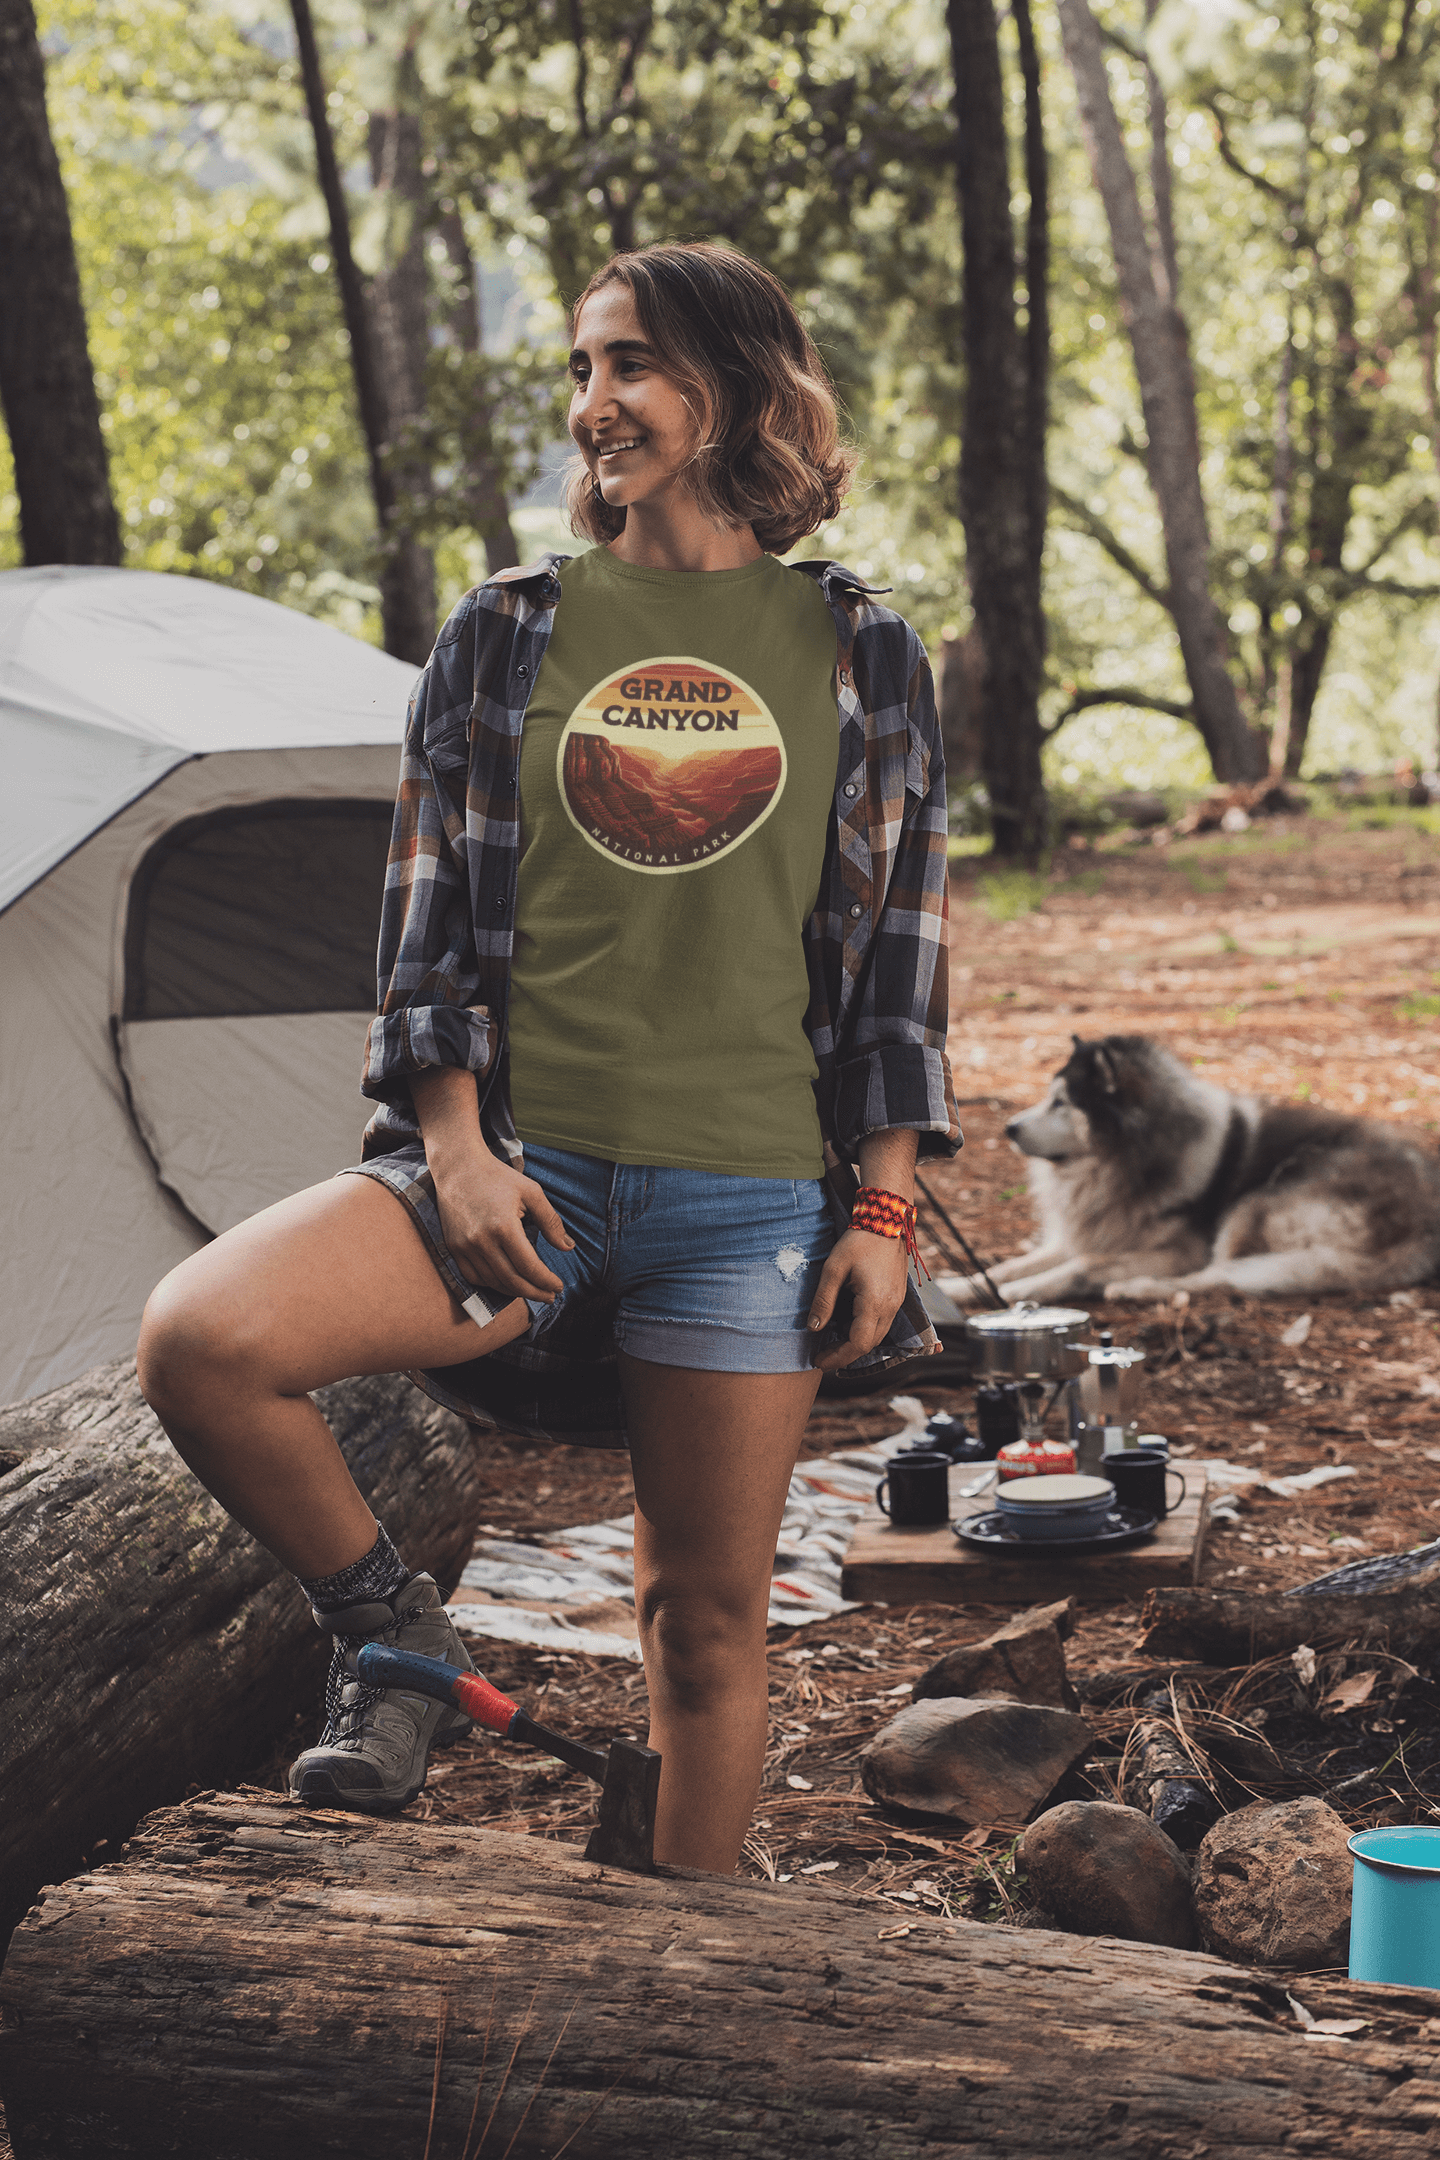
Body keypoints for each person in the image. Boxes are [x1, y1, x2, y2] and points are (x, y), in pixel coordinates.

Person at [137, 241, 959, 1875]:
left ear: (735, 388)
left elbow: (900, 955)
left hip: (748, 1205)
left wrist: (882, 1203)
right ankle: (394, 1636)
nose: (596, 404)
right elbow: (426, 925)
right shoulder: (507, 631)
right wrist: (452, 1145)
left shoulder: (862, 653)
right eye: (583, 369)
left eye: (633, 365)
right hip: (521, 1175)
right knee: (202, 1340)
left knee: (705, 1626)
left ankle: (673, 1978)